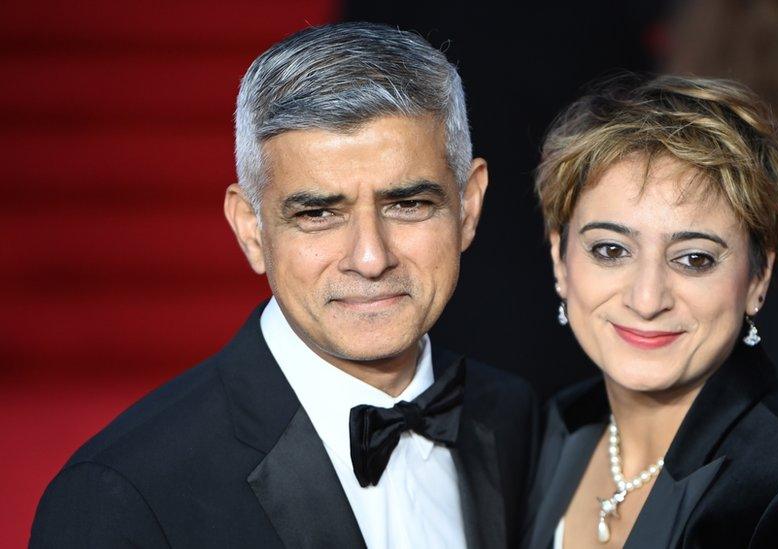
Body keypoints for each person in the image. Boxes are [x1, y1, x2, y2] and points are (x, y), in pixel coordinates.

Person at [30, 22, 538, 549]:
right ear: (251, 230)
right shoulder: (119, 497)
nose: (370, 258)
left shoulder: (512, 418)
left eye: (408, 204)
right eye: (318, 213)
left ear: (468, 208)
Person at [523, 74, 778, 548]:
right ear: (559, 259)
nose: (647, 299)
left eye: (694, 259)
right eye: (610, 250)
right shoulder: (547, 434)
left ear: (758, 278)